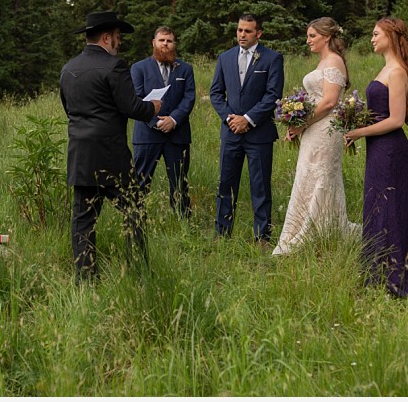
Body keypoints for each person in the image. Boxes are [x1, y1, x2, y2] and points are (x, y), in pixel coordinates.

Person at [59, 11, 162, 283]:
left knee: (83, 221)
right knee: (134, 210)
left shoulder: (68, 68)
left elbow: (69, 110)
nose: (119, 42)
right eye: (118, 37)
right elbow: (132, 107)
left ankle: (85, 279)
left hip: (80, 155)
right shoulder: (115, 67)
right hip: (111, 156)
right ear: (106, 37)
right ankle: (138, 271)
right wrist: (153, 107)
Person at [344, 17, 408, 297]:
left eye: (376, 34)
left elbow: (396, 120)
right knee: (376, 204)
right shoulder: (386, 68)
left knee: (390, 206)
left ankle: (396, 272)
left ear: (390, 35)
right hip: (378, 148)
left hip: (390, 148)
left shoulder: (397, 71)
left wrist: (359, 131)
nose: (371, 38)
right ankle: (377, 269)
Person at [273, 18, 359, 255]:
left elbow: (330, 102)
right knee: (308, 176)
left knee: (320, 176)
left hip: (325, 128)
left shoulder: (334, 61)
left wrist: (302, 125)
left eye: (312, 36)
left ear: (326, 37)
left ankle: (315, 233)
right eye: (308, 36)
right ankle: (318, 230)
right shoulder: (323, 62)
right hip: (314, 126)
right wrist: (296, 119)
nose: (308, 40)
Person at [210, 13, 284, 244]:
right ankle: (222, 233)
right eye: (240, 30)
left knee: (260, 186)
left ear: (258, 34)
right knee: (225, 184)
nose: (242, 34)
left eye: (248, 31)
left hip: (259, 134)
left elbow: (273, 95)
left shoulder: (272, 59)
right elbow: (215, 93)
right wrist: (230, 118)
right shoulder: (225, 58)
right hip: (231, 132)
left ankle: (262, 236)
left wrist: (249, 119)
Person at [131, 26, 196, 218]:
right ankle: (136, 222)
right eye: (161, 40)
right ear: (154, 43)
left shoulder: (185, 69)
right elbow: (136, 97)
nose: (165, 44)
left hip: (177, 134)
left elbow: (189, 98)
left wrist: (173, 119)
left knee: (179, 183)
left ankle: (183, 224)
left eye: (169, 41)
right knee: (140, 183)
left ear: (174, 44)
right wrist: (155, 121)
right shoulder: (139, 68)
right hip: (147, 134)